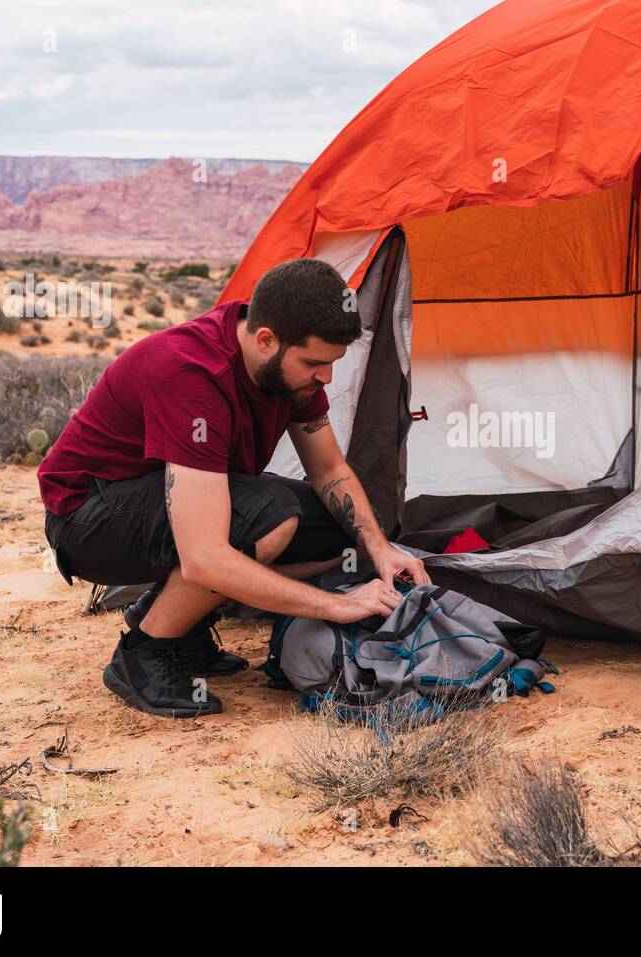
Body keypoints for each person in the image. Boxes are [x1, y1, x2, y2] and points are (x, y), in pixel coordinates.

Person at [38, 259, 429, 717]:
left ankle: (174, 615)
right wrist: (337, 606)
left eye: (331, 364)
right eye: (314, 363)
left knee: (341, 527)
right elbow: (205, 557)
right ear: (265, 340)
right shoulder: (189, 374)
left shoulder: (289, 376)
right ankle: (147, 652)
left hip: (162, 506)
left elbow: (328, 471)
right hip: (88, 521)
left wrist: (380, 548)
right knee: (269, 517)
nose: (325, 378)